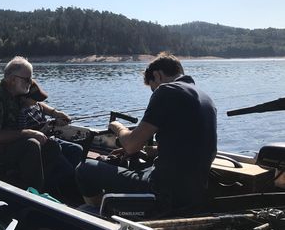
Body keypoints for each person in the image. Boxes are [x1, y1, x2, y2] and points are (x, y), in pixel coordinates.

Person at [76, 52, 217, 212]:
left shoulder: (167, 90)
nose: (154, 92)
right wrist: (154, 150)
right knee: (140, 168)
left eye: (152, 88)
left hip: (162, 190)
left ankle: (102, 213)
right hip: (193, 191)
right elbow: (193, 145)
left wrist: (117, 127)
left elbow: (130, 145)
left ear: (157, 75)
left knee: (85, 169)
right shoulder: (205, 98)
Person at [0, 56, 69, 190]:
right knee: (31, 145)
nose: (30, 82)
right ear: (12, 79)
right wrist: (28, 133)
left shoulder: (16, 90)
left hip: (8, 143)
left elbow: (37, 103)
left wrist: (55, 113)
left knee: (51, 145)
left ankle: (47, 188)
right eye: (27, 79)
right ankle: (34, 195)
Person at [18, 80, 84, 203]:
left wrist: (57, 117)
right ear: (24, 98)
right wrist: (44, 129)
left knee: (77, 150)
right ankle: (60, 190)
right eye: (35, 98)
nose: (38, 101)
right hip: (41, 144)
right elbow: (24, 134)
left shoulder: (36, 105)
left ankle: (75, 186)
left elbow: (42, 107)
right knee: (67, 169)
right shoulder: (21, 112)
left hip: (50, 138)